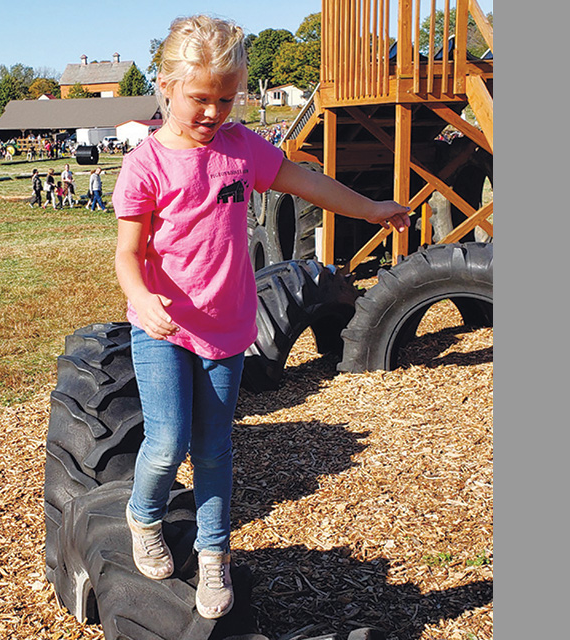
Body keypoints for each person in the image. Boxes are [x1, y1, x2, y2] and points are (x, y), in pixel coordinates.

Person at [112, 14, 410, 620]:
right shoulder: (146, 165)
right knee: (167, 443)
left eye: (225, 99)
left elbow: (307, 183)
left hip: (225, 329)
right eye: (199, 98)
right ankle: (143, 516)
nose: (212, 112)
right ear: (166, 85)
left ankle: (214, 552)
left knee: (216, 449)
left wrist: (373, 208)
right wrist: (141, 298)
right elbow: (126, 252)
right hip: (163, 327)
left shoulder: (241, 148)